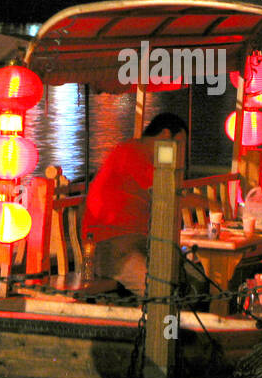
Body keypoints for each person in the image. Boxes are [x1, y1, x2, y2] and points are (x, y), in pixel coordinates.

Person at [81, 112, 194, 297]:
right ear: (166, 135)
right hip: (113, 248)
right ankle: (154, 324)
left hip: (139, 243)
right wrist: (212, 205)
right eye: (179, 143)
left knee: (184, 274)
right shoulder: (133, 152)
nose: (181, 151)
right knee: (156, 288)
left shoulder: (146, 157)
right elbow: (167, 194)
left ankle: (181, 321)